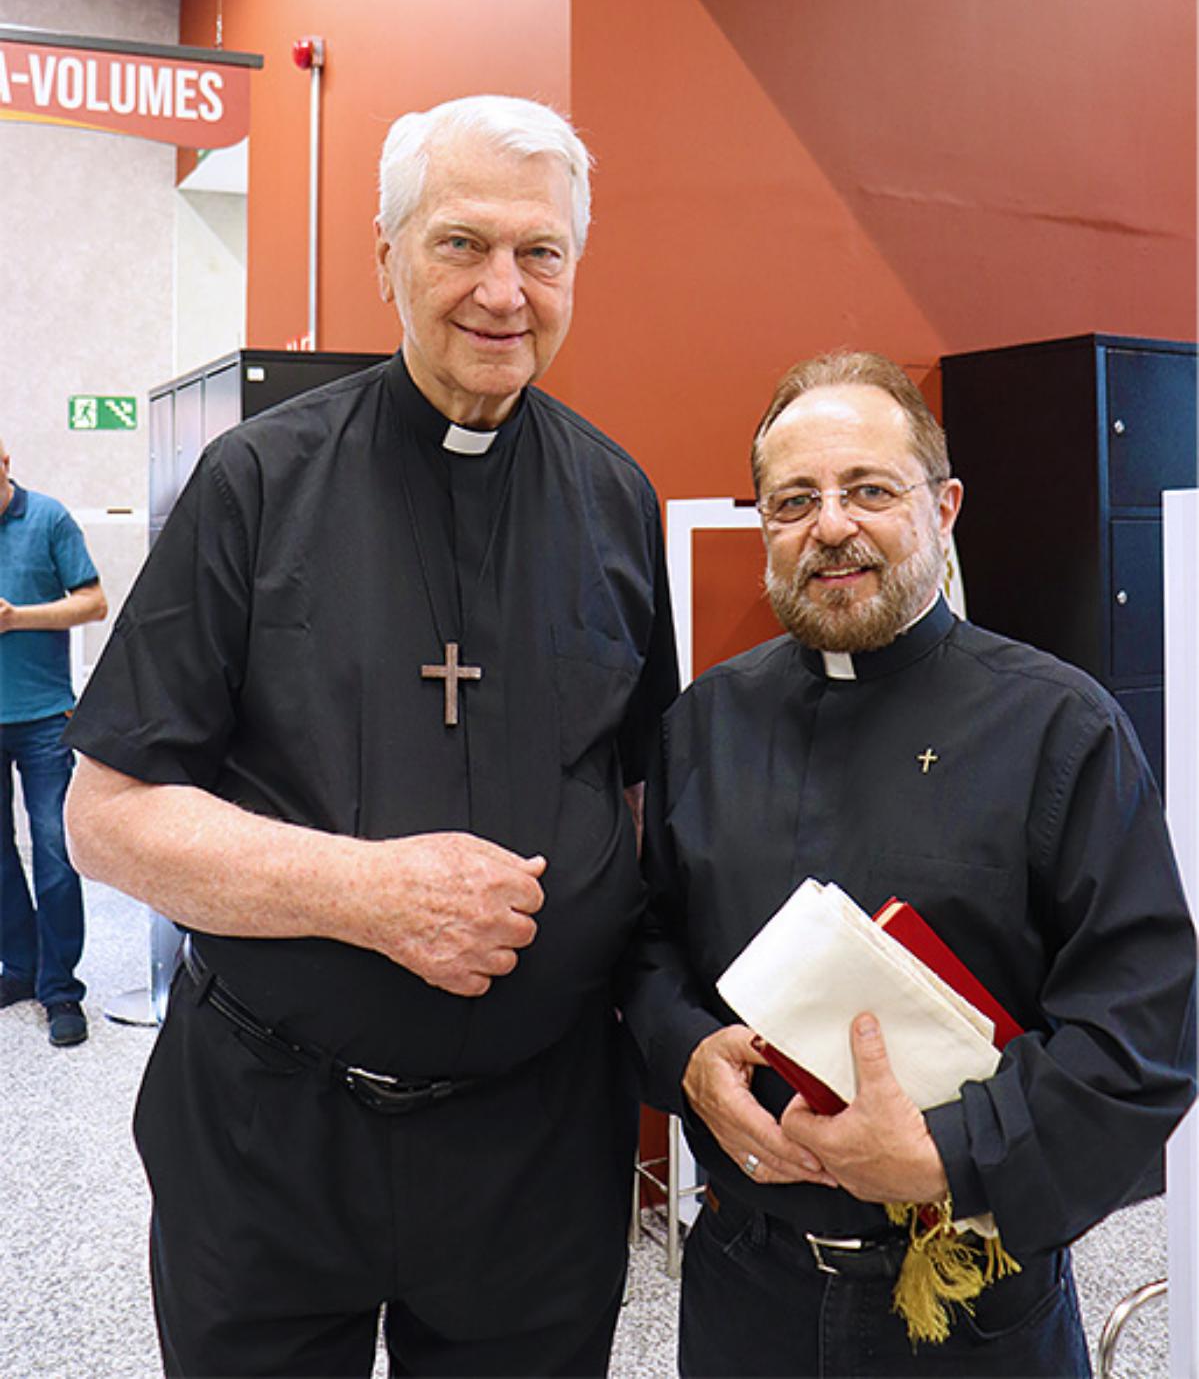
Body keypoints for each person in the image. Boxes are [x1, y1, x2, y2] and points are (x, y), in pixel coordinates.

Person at [64, 96, 678, 1379]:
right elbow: (105, 815)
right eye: (460, 244)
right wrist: (369, 893)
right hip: (271, 1137)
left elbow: (641, 798)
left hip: (536, 1153)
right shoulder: (253, 482)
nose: (502, 289)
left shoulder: (619, 500)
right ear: (384, 254)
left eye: (540, 251)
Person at [623, 350, 1196, 1379]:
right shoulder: (702, 722)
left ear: (944, 506)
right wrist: (689, 1061)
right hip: (744, 1294)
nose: (829, 525)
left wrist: (949, 1151)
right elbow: (647, 945)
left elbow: (1141, 1033)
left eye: (868, 489)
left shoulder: (1060, 729)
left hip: (970, 1298)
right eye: (792, 499)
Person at [0, 435, 106, 1045]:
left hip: (44, 719)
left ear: (7, 461)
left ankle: (61, 989)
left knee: (56, 854)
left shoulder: (49, 518)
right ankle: (20, 968)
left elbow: (94, 603)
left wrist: (17, 617)